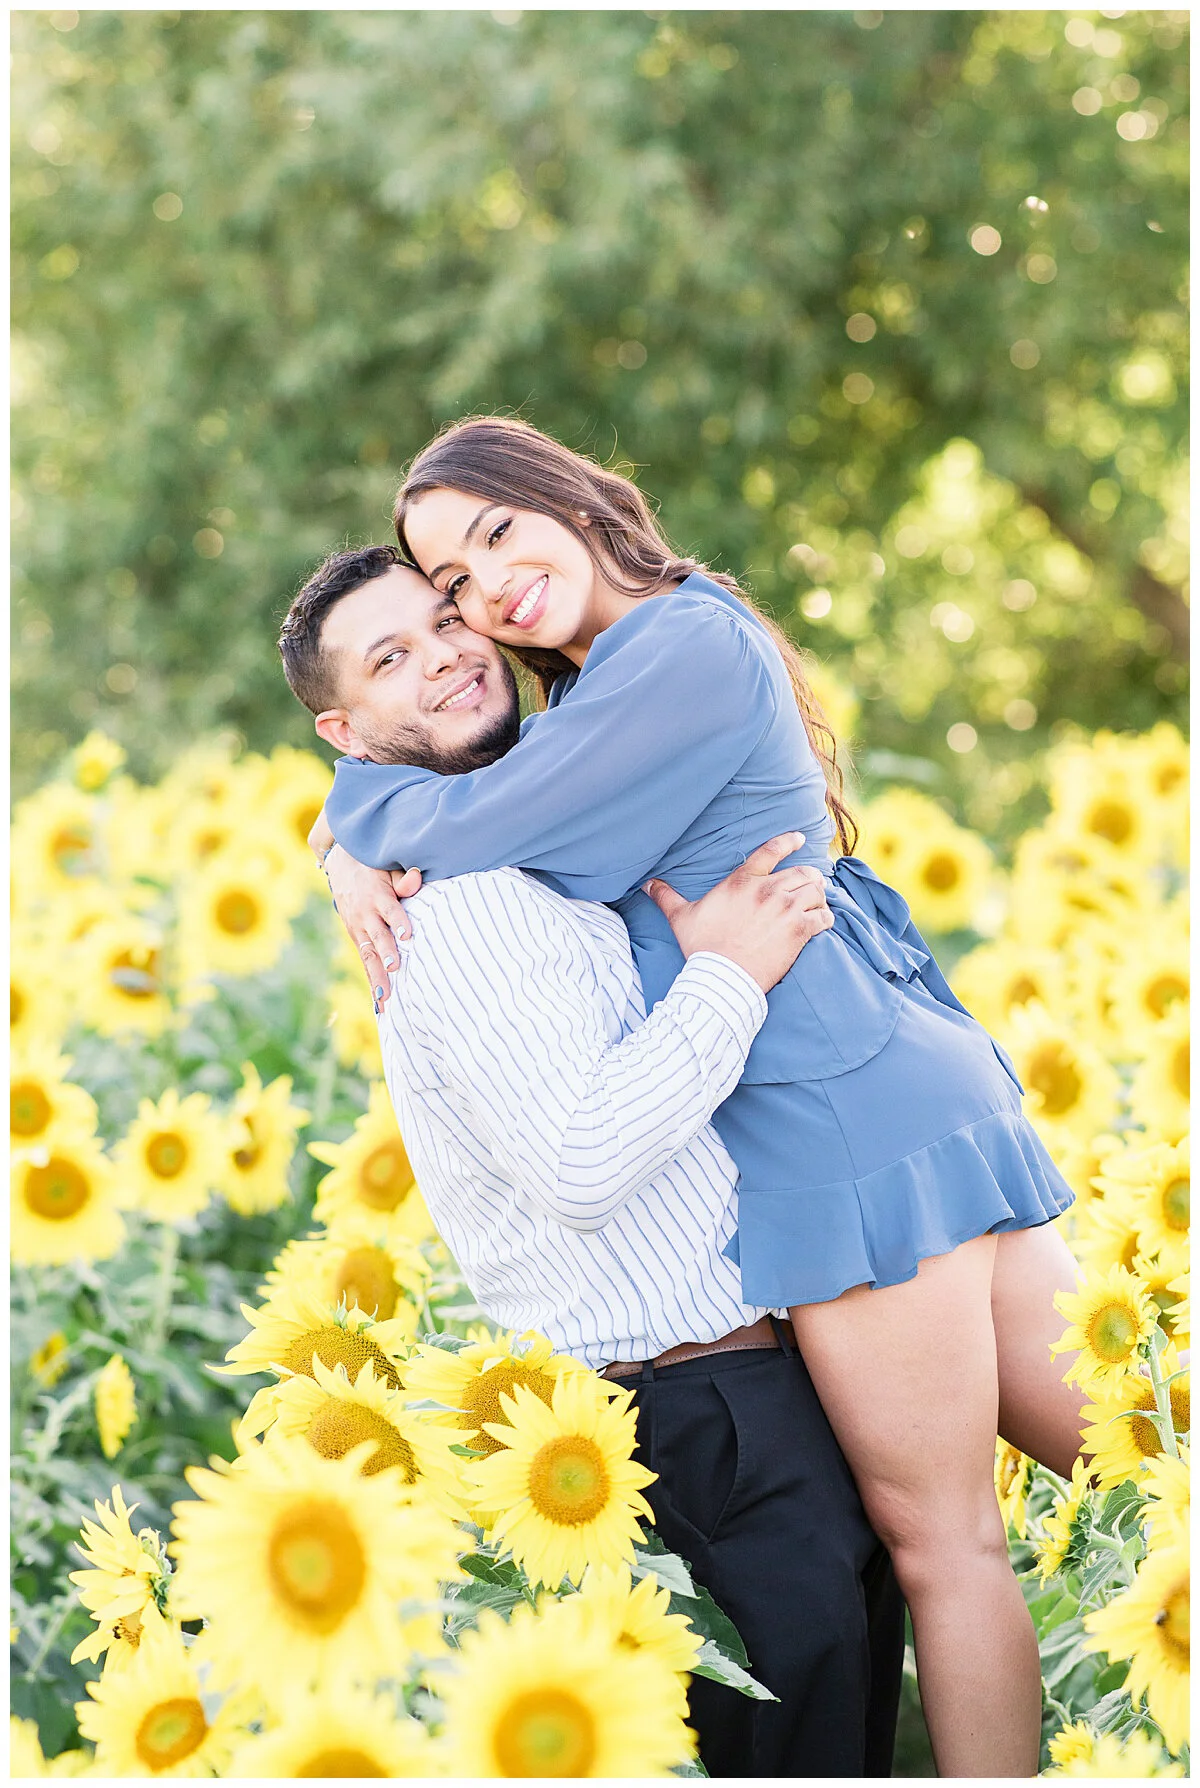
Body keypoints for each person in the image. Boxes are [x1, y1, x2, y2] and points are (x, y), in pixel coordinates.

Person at [317, 418, 1090, 1779]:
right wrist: (347, 823)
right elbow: (501, 791)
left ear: (566, 496)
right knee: (1138, 1449)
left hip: (830, 1123)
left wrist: (347, 819)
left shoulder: (671, 650)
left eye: (495, 535)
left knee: (945, 1545)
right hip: (886, 1078)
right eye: (451, 586)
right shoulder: (616, 674)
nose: (484, 593)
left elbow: (490, 819)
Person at [277, 548, 906, 1778]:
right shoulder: (467, 906)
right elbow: (581, 1159)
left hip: (734, 1403)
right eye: (391, 659)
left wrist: (339, 836)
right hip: (697, 1425)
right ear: (344, 734)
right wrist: (730, 974)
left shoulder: (522, 841)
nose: (446, 657)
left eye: (446, 621)